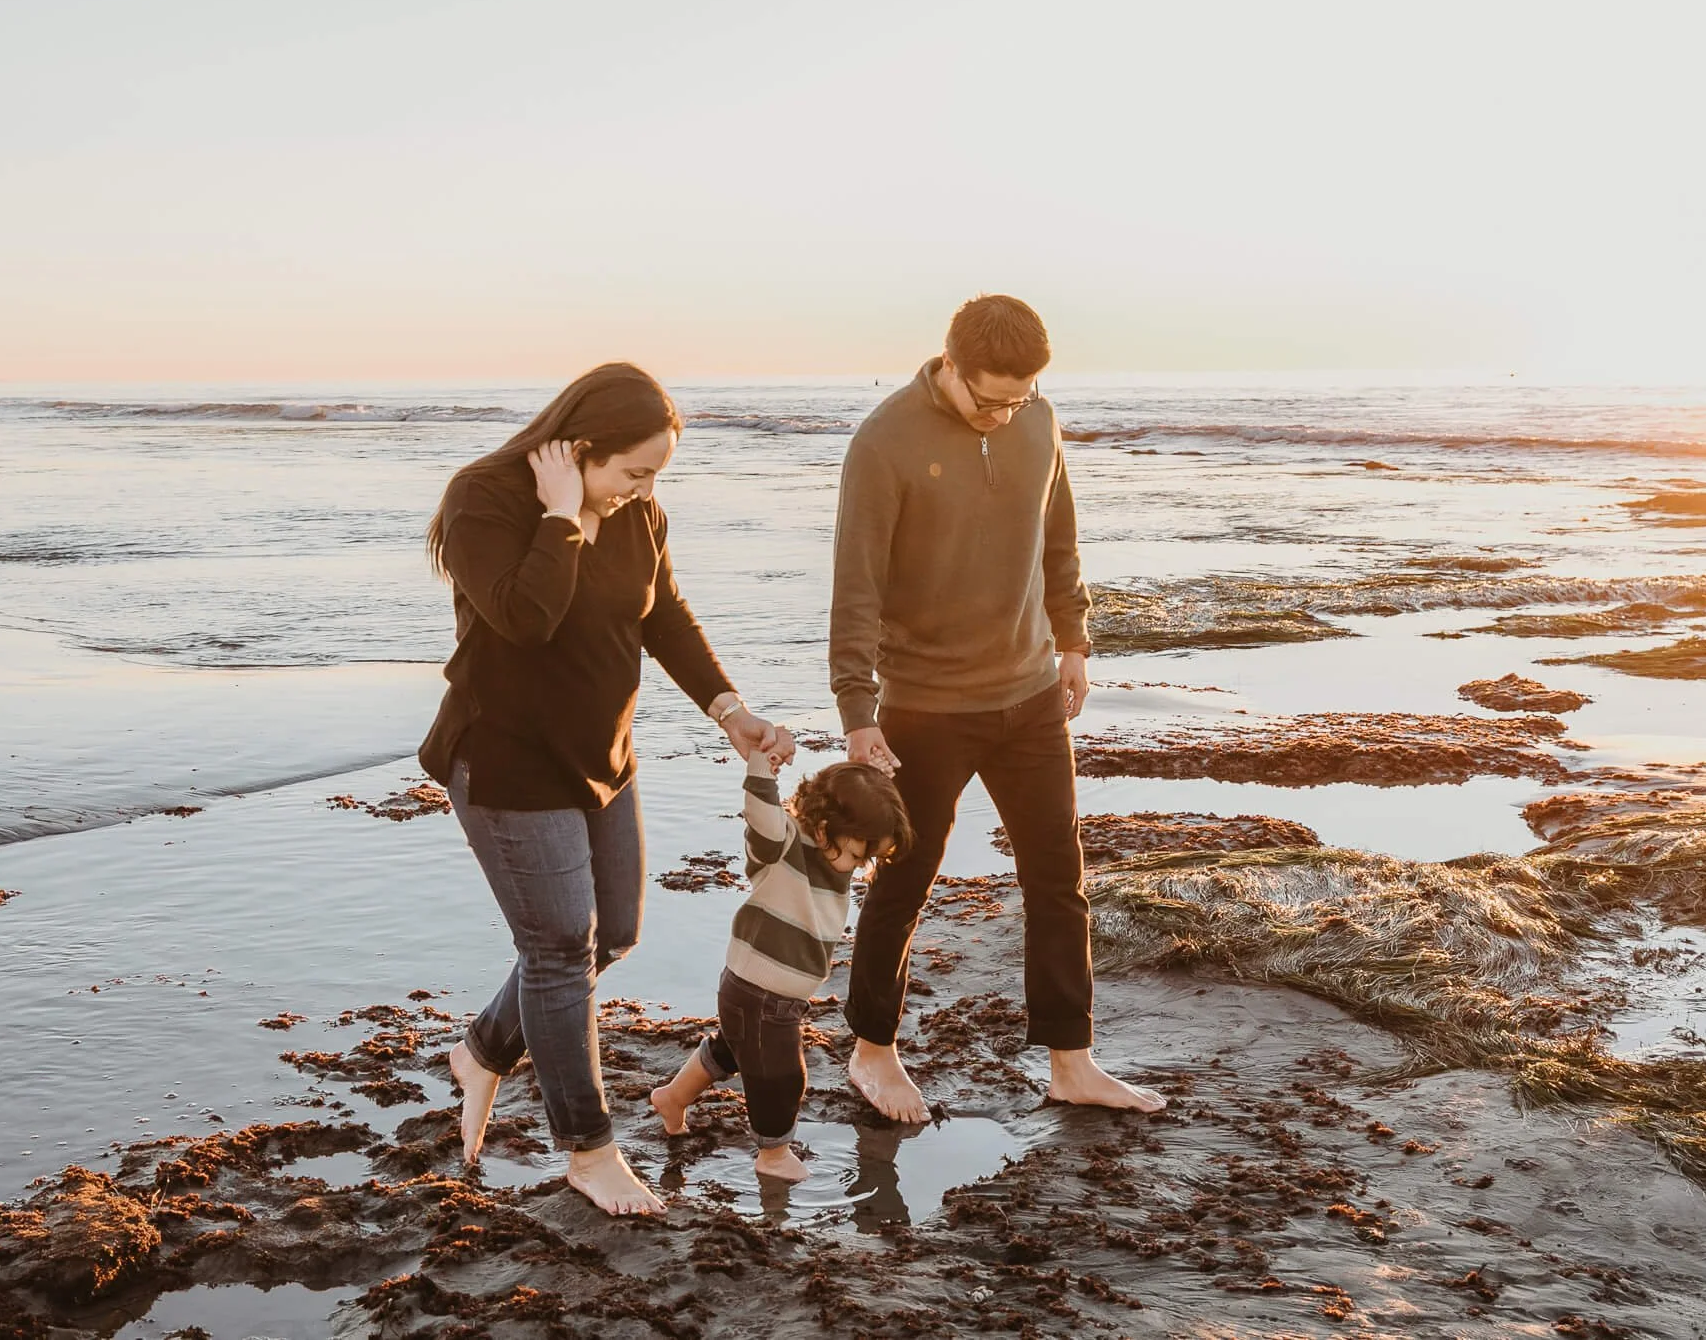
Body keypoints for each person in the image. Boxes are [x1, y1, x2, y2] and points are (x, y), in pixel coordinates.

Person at [421, 362, 792, 1216]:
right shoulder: (485, 499)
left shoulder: (637, 512)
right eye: (633, 471)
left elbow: (663, 613)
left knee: (612, 933)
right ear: (580, 449)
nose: (645, 491)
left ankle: (482, 1050)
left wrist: (730, 710)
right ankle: (588, 1151)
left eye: (656, 475)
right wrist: (562, 517)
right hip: (509, 762)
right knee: (559, 947)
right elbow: (525, 618)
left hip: (603, 758)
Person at [829, 294, 1166, 1122]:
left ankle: (1071, 1060)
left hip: (1030, 693)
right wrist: (858, 712)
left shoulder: (1037, 419)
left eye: (1020, 398)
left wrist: (1073, 638)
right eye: (990, 400)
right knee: (905, 880)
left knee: (1058, 878)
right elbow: (856, 587)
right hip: (927, 708)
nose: (1005, 413)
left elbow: (1059, 538)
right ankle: (872, 1051)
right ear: (951, 365)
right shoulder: (884, 442)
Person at [648, 742, 913, 1181]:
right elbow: (761, 817)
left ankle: (673, 1097)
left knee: (732, 1049)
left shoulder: (835, 849)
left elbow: (859, 803)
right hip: (760, 993)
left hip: (762, 993)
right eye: (856, 854)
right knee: (782, 1077)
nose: (857, 866)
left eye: (867, 859)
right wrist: (761, 767)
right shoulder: (782, 846)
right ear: (824, 829)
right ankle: (773, 1155)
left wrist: (875, 778)